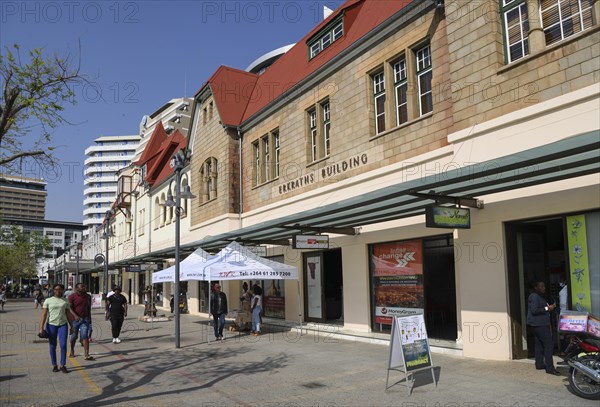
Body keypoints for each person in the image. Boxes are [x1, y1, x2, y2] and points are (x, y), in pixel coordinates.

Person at [38, 284, 76, 374]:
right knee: (52, 345)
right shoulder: (48, 300)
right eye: (56, 289)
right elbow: (43, 315)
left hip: (63, 325)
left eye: (60, 289)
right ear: (53, 290)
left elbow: (68, 314)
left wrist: (72, 326)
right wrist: (41, 328)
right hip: (51, 325)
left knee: (63, 345)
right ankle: (54, 365)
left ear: (63, 290)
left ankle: (63, 365)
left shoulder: (65, 300)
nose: (58, 291)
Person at [527, 281, 560, 376]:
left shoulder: (540, 296)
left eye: (544, 286)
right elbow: (534, 310)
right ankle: (550, 367)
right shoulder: (534, 296)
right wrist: (547, 308)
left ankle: (540, 364)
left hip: (539, 323)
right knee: (549, 344)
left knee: (539, 344)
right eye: (541, 286)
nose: (544, 288)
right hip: (539, 324)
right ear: (536, 287)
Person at [69, 283, 94, 360]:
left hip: (85, 319)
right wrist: (75, 316)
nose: (84, 288)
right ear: (77, 289)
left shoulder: (88, 296)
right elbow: (69, 308)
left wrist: (90, 319)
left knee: (85, 336)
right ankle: (72, 350)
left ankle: (86, 354)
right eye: (82, 287)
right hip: (74, 320)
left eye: (84, 286)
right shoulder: (71, 297)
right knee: (74, 336)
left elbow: (88, 308)